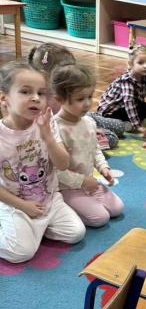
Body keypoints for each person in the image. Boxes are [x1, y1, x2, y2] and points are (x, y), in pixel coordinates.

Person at [0, 61, 85, 263]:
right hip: (15, 204)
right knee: (21, 253)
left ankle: (35, 230)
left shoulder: (47, 121)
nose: (36, 98)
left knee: (76, 233)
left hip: (49, 199)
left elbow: (63, 164)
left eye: (41, 93)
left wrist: (47, 137)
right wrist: (23, 206)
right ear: (4, 98)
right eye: (25, 92)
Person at [52, 64, 124, 228]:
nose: (87, 104)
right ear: (60, 100)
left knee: (117, 208)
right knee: (100, 218)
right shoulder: (56, 129)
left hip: (89, 182)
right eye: (80, 99)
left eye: (90, 97)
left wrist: (103, 167)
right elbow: (57, 172)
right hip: (66, 188)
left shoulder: (89, 121)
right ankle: (62, 209)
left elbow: (95, 149)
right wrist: (82, 181)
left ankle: (87, 202)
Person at [29, 42, 127, 149]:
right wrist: (87, 132)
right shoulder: (39, 99)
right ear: (44, 74)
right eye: (67, 72)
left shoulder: (66, 86)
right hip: (69, 129)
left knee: (120, 126)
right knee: (112, 138)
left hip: (84, 117)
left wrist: (87, 124)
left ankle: (107, 123)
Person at [97, 43, 146, 138]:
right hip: (111, 112)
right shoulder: (127, 81)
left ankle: (127, 123)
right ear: (131, 64)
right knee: (131, 111)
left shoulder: (145, 77)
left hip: (125, 108)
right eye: (140, 63)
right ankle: (122, 125)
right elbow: (129, 104)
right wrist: (138, 126)